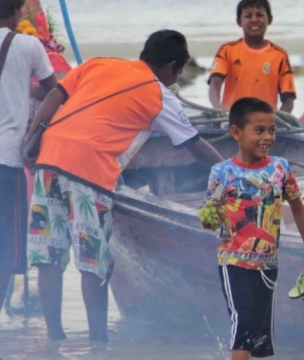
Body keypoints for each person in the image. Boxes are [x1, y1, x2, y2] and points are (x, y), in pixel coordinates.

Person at [24, 30, 224, 341]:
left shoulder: (97, 63)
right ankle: (98, 343)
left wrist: (31, 142)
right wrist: (231, 173)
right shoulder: (159, 95)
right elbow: (195, 146)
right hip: (90, 171)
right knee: (92, 261)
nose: (175, 79)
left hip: (49, 158)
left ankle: (55, 339)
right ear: (171, 67)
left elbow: (52, 97)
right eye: (179, 72)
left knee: (49, 256)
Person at [204, 97, 304, 360]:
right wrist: (210, 218)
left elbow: (298, 209)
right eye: (259, 131)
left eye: (271, 130)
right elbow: (211, 214)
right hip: (233, 260)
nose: (267, 137)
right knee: (242, 319)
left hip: (268, 263)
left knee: (258, 333)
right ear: (236, 132)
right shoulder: (222, 172)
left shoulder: (280, 168)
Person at [0, 0, 57, 329]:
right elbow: (55, 92)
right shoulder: (28, 46)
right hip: (3, 161)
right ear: (17, 11)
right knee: (1, 246)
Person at [208, 0, 296, 113]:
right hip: (232, 118)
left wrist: (275, 120)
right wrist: (217, 106)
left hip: (264, 121)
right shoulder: (227, 50)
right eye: (248, 16)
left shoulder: (280, 56)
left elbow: (288, 100)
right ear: (239, 21)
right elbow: (215, 83)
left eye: (259, 15)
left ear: (270, 19)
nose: (254, 20)